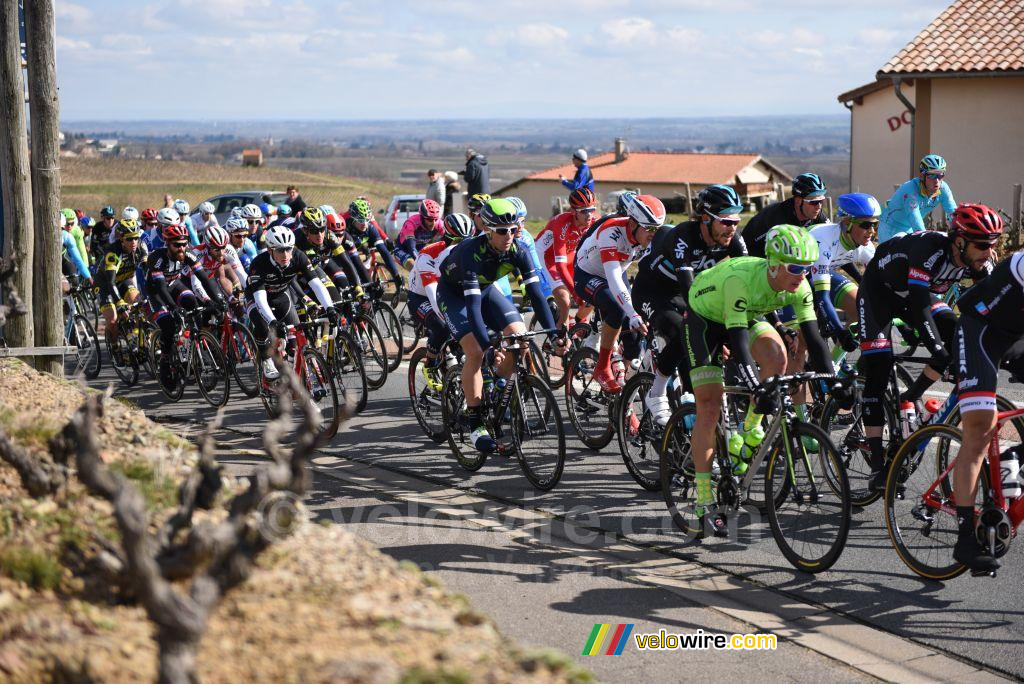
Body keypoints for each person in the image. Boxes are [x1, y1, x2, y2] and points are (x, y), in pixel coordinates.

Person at [686, 226, 843, 534]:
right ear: (773, 264)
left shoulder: (799, 286)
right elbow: (740, 345)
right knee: (709, 405)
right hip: (706, 318)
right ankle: (704, 499)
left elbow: (814, 337)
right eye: (796, 268)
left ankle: (749, 427)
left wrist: (835, 381)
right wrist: (757, 389)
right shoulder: (740, 280)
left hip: (745, 313)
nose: (802, 275)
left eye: (808, 268)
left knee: (777, 359)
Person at [857, 205, 1000, 492]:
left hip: (917, 294)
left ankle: (911, 397)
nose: (988, 252)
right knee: (879, 369)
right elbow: (921, 305)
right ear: (959, 241)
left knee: (956, 337)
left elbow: (991, 306)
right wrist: (936, 348)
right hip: (880, 293)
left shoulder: (979, 261)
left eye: (993, 245)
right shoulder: (930, 250)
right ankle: (875, 464)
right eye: (982, 245)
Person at [436, 198, 558, 452]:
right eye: (502, 231)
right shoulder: (471, 253)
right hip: (454, 295)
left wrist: (555, 334)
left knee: (521, 337)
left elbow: (535, 294)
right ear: (488, 230)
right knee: (476, 352)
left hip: (485, 289)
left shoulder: (518, 251)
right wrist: (488, 345)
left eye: (514, 229)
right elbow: (472, 308)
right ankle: (475, 421)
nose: (509, 235)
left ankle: (499, 386)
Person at [631, 184, 748, 425]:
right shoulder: (683, 237)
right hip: (652, 292)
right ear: (705, 218)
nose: (732, 228)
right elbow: (690, 293)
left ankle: (690, 405)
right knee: (683, 330)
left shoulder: (732, 238)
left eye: (736, 221)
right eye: (726, 221)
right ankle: (657, 390)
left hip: (687, 292)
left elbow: (748, 279)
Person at [947, 209, 1023, 572]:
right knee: (979, 429)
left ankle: (1013, 459)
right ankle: (965, 538)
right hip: (980, 331)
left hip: (1015, 334)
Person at [573, 193, 666, 392]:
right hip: (587, 273)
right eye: (649, 229)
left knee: (633, 344)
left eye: (657, 229)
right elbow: (614, 278)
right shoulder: (611, 231)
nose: (653, 235)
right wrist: (631, 313)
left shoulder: (648, 236)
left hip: (617, 269)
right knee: (617, 307)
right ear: (632, 223)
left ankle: (622, 396)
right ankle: (602, 367)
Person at [245, 225, 339, 381]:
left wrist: (330, 308)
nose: (286, 254)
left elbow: (316, 284)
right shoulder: (259, 264)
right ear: (270, 250)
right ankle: (266, 359)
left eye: (288, 249)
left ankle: (296, 376)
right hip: (256, 298)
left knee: (295, 340)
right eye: (280, 250)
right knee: (262, 325)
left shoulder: (299, 256)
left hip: (280, 295)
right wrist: (273, 322)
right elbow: (260, 300)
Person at [145, 220, 226, 392]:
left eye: (184, 244)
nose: (182, 248)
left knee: (193, 305)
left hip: (174, 285)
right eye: (177, 245)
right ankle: (166, 360)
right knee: (169, 325)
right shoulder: (157, 259)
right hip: (156, 293)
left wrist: (216, 300)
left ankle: (194, 346)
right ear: (167, 243)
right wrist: (173, 307)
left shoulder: (188, 254)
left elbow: (205, 278)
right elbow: (160, 287)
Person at [407, 213, 476, 389]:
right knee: (443, 326)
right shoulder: (428, 256)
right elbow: (432, 294)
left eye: (468, 240)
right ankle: (430, 363)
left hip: (449, 291)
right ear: (448, 238)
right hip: (420, 297)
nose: (464, 245)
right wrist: (453, 323)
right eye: (459, 240)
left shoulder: (469, 251)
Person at [808, 192, 881, 350]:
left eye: (875, 224)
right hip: (795, 280)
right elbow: (822, 298)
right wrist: (840, 332)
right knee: (803, 343)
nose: (872, 231)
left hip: (823, 273)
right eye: (866, 225)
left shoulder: (865, 246)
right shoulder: (824, 242)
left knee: (861, 308)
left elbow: (880, 286)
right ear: (847, 222)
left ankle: (837, 364)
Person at [535, 187, 597, 327]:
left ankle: (579, 322)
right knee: (565, 299)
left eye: (592, 209)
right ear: (574, 211)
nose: (589, 215)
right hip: (547, 258)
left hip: (570, 257)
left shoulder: (593, 221)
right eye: (584, 211)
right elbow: (560, 266)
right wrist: (576, 295)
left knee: (593, 292)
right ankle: (560, 336)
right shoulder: (562, 223)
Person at [741, 172, 829, 258]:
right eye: (814, 202)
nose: (819, 207)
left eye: (821, 201)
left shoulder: (816, 213)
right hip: (755, 255)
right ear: (798, 201)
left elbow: (833, 239)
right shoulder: (777, 218)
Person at [878, 154, 957, 243]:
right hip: (890, 226)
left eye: (940, 175)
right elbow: (916, 222)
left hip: (909, 228)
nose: (937, 181)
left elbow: (953, 213)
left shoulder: (943, 188)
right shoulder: (910, 190)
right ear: (922, 176)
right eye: (932, 176)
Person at [98, 219, 148, 349]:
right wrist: (119, 303)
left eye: (136, 238)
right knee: (113, 319)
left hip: (124, 281)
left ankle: (136, 335)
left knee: (140, 305)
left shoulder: (141, 247)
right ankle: (114, 347)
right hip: (105, 285)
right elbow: (111, 281)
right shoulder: (112, 253)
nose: (134, 242)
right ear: (121, 238)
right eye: (129, 239)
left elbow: (148, 270)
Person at [396, 199, 444, 269]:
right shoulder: (411, 224)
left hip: (420, 249)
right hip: (403, 249)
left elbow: (450, 240)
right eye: (430, 219)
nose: (433, 223)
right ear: (422, 217)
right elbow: (412, 248)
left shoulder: (439, 223)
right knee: (414, 267)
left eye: (436, 219)